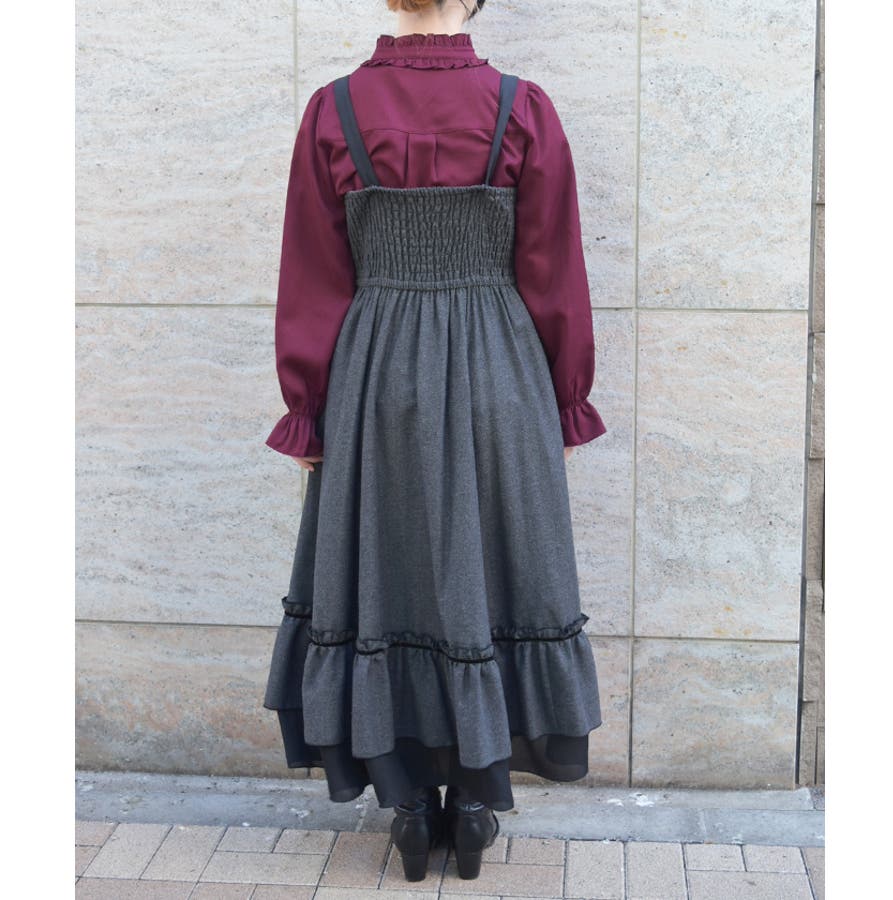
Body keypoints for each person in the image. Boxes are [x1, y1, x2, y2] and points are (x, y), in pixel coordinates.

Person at [262, 0, 607, 882]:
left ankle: (410, 803)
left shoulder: (334, 108)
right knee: (489, 567)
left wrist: (308, 406)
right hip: (498, 367)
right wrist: (565, 403)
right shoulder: (521, 107)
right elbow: (553, 269)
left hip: (375, 370)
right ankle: (476, 802)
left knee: (389, 569)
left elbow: (313, 274)